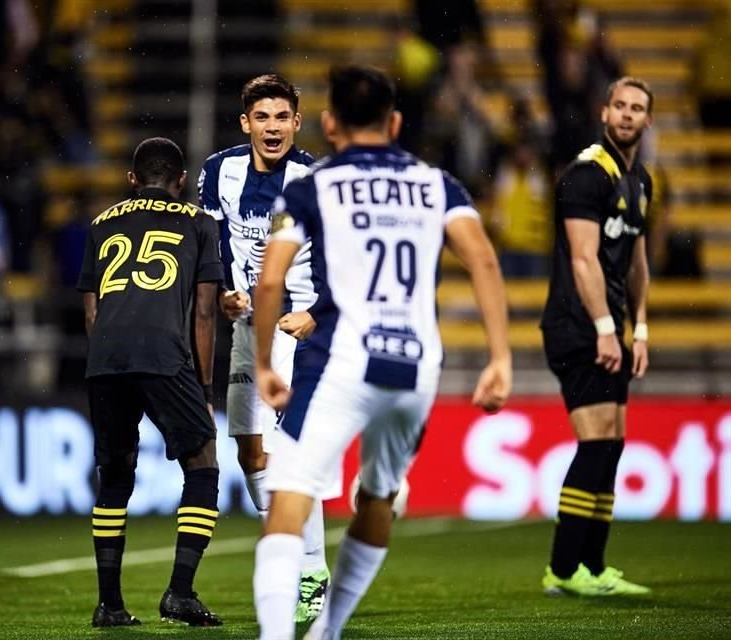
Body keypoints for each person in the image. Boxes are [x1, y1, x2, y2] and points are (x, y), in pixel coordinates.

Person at [251, 65, 512, 640]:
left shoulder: (312, 187)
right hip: (415, 366)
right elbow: (484, 261)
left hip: (344, 360)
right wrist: (500, 358)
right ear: (394, 121)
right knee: (379, 496)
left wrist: (266, 363)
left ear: (327, 123)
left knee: (289, 494)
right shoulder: (437, 184)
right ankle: (330, 629)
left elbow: (270, 282)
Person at [197, 74, 331, 622]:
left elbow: (344, 256)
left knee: (291, 456)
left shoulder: (316, 178)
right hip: (247, 327)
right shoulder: (217, 170)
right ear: (245, 122)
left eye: (282, 117)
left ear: (297, 123)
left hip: (296, 330)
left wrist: (317, 313)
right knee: (250, 453)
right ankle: (288, 545)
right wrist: (223, 295)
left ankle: (311, 570)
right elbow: (210, 242)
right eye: (263, 117)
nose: (272, 127)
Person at [77, 137, 224, 627]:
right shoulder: (199, 222)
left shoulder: (101, 223)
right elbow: (204, 311)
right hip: (162, 352)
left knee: (115, 475)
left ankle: (109, 605)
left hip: (105, 358)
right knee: (202, 461)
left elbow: (92, 309)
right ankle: (179, 592)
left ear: (132, 180)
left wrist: (111, 359)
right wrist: (202, 391)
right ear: (181, 181)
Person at [539, 77, 654, 597]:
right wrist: (607, 329)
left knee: (611, 444)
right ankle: (563, 570)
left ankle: (592, 566)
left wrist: (641, 328)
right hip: (578, 325)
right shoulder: (587, 175)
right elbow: (583, 258)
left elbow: (637, 264)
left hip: (612, 328)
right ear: (604, 111)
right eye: (621, 106)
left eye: (638, 108)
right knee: (596, 442)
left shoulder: (641, 180)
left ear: (647, 119)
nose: (628, 115)